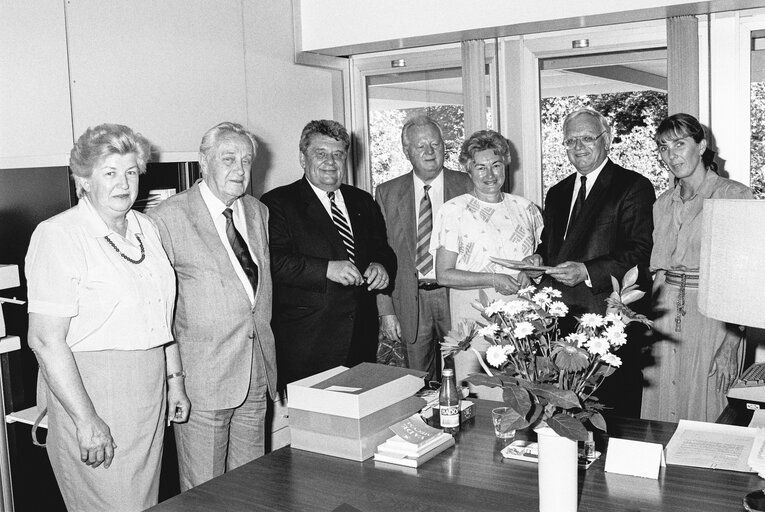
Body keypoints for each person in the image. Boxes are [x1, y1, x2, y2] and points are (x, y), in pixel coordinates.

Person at [25, 123, 189, 511]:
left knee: (143, 502)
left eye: (131, 172)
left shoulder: (144, 227)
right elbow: (45, 341)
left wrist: (174, 380)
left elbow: (159, 316)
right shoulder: (60, 235)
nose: (124, 183)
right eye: (110, 172)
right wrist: (86, 420)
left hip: (147, 391)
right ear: (83, 180)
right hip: (93, 391)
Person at [149, 122, 277, 490]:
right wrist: (174, 381)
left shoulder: (256, 212)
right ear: (204, 162)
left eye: (246, 160)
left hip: (255, 372)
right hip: (202, 380)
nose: (239, 169)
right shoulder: (167, 219)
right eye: (228, 158)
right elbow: (161, 312)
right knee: (205, 491)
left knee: (251, 485)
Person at [526, 107, 655, 417]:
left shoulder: (633, 186)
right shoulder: (557, 193)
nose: (578, 147)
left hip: (606, 322)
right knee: (562, 416)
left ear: (606, 139)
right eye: (570, 141)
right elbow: (552, 246)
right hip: (560, 322)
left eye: (587, 138)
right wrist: (537, 259)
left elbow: (641, 251)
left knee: (609, 416)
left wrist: (587, 271)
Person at [261, 119, 396, 387]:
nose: (330, 162)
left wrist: (381, 266)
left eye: (338, 154)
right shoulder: (277, 203)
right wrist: (326, 269)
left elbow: (384, 250)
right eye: (320, 154)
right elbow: (273, 262)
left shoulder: (363, 201)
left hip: (360, 339)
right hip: (307, 343)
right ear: (302, 158)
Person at [641, 113, 753, 423]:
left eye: (679, 144)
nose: (671, 155)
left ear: (701, 146)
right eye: (663, 147)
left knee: (709, 408)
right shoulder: (662, 203)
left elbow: (745, 280)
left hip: (714, 320)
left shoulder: (734, 196)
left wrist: (732, 342)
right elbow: (659, 273)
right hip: (665, 319)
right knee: (662, 410)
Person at [431, 129, 543, 387]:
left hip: (522, 316)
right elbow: (444, 274)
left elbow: (536, 257)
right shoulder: (453, 211)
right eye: (480, 167)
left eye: (496, 165)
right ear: (467, 169)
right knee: (481, 392)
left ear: (506, 164)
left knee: (525, 389)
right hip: (475, 316)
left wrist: (534, 264)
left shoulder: (526, 208)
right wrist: (493, 279)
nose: (490, 175)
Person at [375, 115, 473, 381]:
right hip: (410, 299)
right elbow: (380, 254)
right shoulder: (387, 193)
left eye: (436, 144)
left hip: (457, 297)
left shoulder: (468, 185)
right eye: (421, 146)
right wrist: (386, 310)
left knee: (466, 377)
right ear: (407, 152)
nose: (430, 151)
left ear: (444, 146)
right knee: (418, 383)